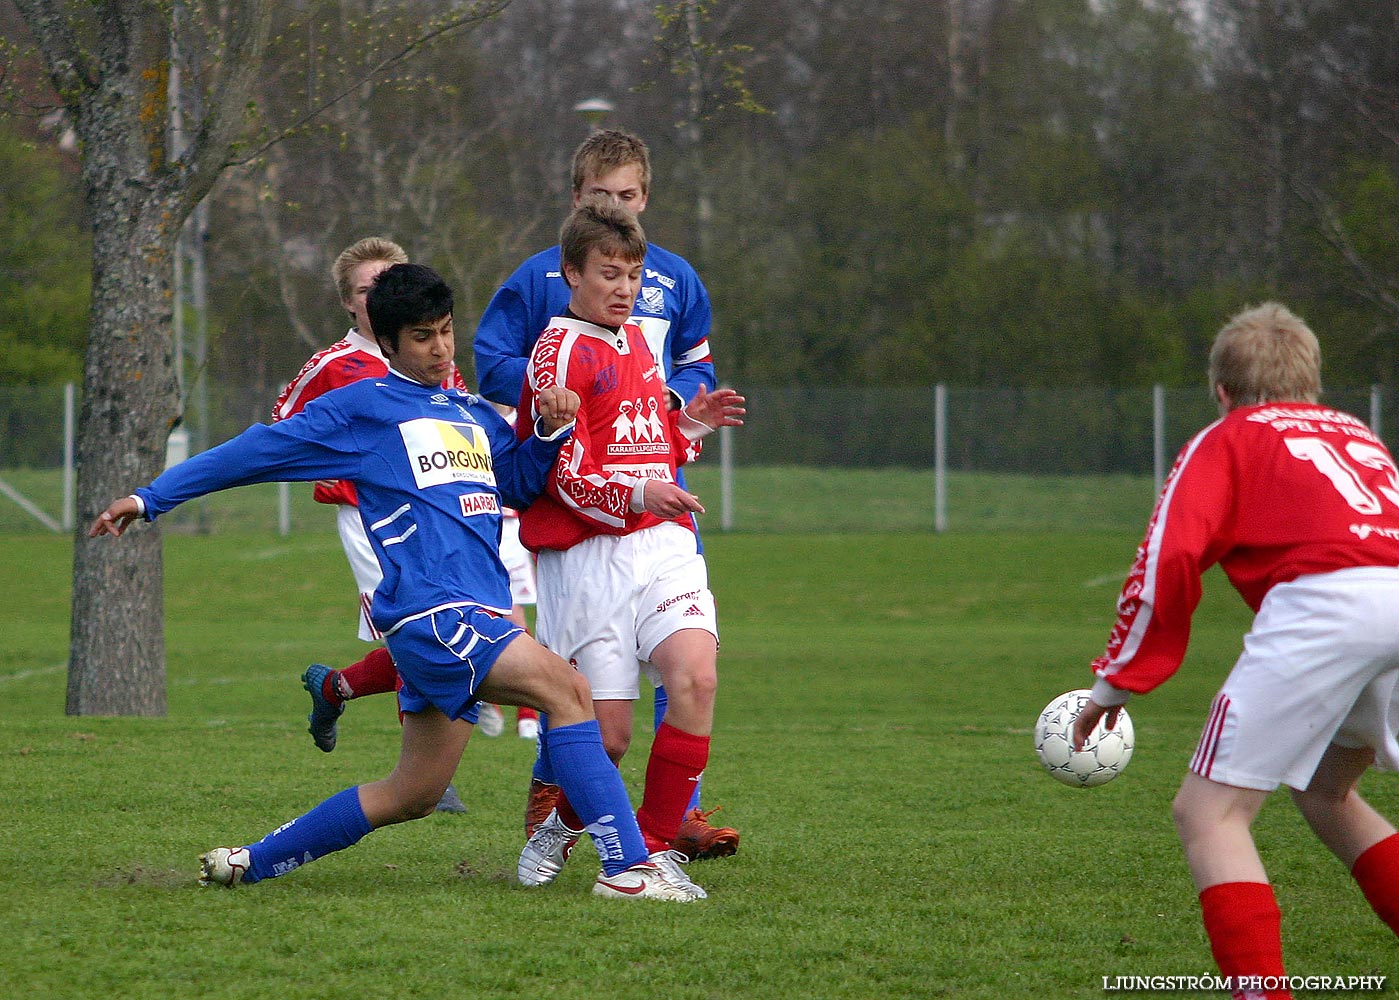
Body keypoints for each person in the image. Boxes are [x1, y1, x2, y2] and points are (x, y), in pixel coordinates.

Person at [89, 263, 701, 901]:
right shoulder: (363, 410)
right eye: (420, 337)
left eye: (445, 332)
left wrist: (548, 431)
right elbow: (254, 451)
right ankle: (628, 869)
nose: (439, 349)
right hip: (437, 614)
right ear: (387, 343)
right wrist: (150, 497)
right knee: (571, 693)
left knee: (412, 794)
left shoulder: (471, 413)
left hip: (465, 617)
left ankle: (249, 862)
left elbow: (519, 482)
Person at [1073, 303, 1399, 999]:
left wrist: (1116, 682)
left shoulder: (1229, 437)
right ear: (1310, 383)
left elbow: (1170, 556)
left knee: (1208, 814)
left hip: (1326, 610)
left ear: (1220, 391)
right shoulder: (1355, 432)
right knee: (1323, 790)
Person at [474, 128, 739, 860]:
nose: (616, 207)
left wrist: (678, 410)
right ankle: (554, 794)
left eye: (627, 196)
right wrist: (551, 398)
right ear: (575, 200)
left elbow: (692, 362)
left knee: (687, 669)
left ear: (645, 197)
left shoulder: (675, 277)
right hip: (582, 511)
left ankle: (669, 823)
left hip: (660, 497)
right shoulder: (538, 282)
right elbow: (492, 361)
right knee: (604, 721)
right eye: (601, 197)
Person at [272, 236, 476, 815]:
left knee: (457, 625)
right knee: (415, 627)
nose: (379, 294)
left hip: (438, 508)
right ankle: (430, 778)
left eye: (389, 282)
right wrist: (346, 460)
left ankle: (336, 686)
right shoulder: (336, 365)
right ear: (350, 303)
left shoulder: (429, 352)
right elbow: (285, 419)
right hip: (370, 516)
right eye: (367, 289)